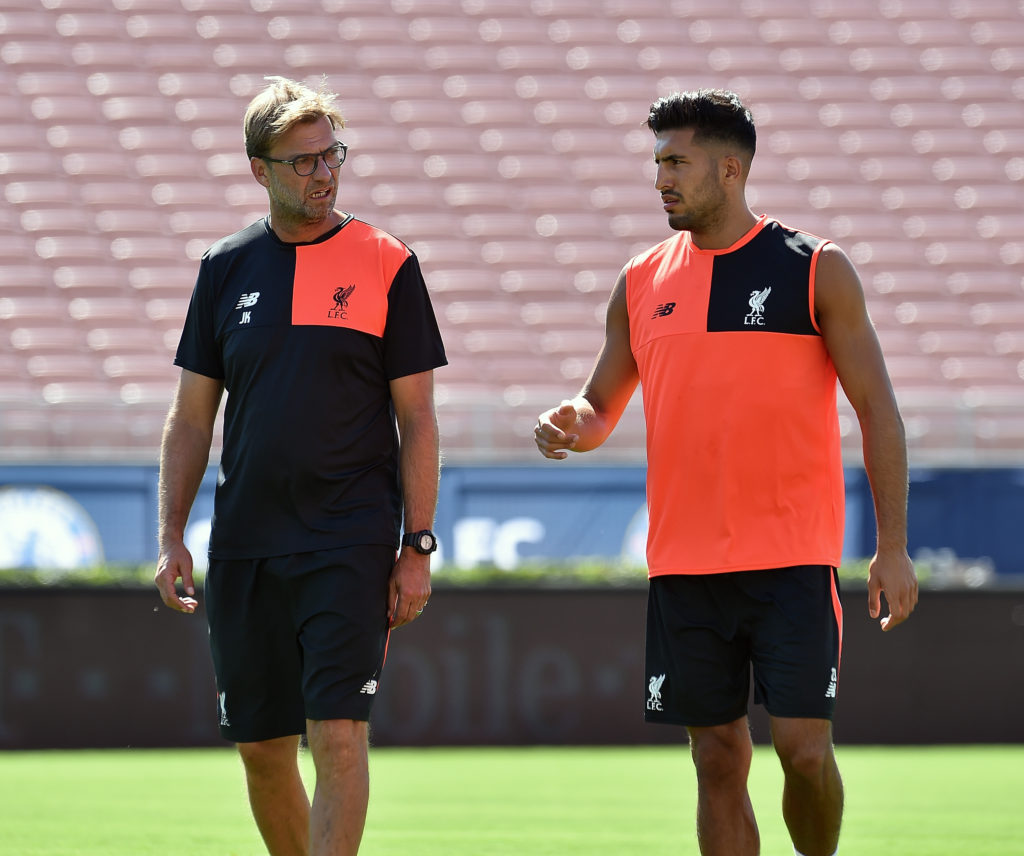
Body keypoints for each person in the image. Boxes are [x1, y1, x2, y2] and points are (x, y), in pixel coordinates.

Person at [534, 89, 918, 856]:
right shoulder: (640, 280)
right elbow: (601, 404)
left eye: (676, 162)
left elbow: (878, 410)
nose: (661, 180)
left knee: (804, 751)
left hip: (792, 560)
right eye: (657, 163)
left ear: (731, 168)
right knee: (717, 759)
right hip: (685, 565)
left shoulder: (815, 269)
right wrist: (570, 423)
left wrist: (894, 545)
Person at [155, 76, 447, 856]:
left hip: (348, 538)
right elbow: (190, 417)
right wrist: (171, 534)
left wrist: (417, 545)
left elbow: (417, 420)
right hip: (246, 540)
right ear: (260, 170)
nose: (324, 174)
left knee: (339, 738)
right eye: (303, 162)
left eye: (332, 156)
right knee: (260, 748)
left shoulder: (388, 262)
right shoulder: (224, 268)